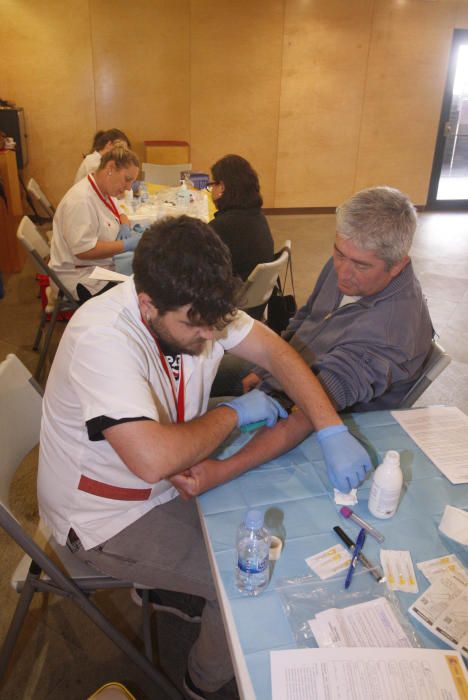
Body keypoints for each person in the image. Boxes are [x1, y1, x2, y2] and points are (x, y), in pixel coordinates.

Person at [38, 216, 371, 700]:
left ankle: (171, 591)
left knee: (270, 514)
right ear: (147, 304)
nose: (210, 340)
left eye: (217, 325)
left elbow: (277, 353)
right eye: (196, 328)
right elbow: (152, 460)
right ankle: (202, 681)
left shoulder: (196, 305)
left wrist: (331, 427)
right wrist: (234, 414)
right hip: (105, 516)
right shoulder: (103, 338)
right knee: (245, 576)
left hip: (161, 478)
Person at [218, 186, 434, 412]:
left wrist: (265, 391)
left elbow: (315, 407)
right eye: (339, 253)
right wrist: (267, 370)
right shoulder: (347, 263)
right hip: (287, 374)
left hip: (324, 411)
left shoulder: (391, 329)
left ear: (397, 265)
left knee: (197, 418)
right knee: (195, 370)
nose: (343, 272)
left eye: (361, 265)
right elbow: (307, 316)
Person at [50, 144, 141, 302]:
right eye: (127, 180)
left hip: (98, 268)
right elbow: (83, 251)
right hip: (81, 278)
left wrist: (124, 224)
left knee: (146, 279)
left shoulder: (104, 189)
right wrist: (126, 245)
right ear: (110, 167)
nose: (128, 188)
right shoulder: (81, 200)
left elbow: (120, 211)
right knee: (141, 297)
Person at [208, 154, 274, 315]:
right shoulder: (257, 216)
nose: (211, 189)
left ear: (222, 187)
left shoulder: (222, 226)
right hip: (254, 304)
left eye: (212, 184)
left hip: (230, 307)